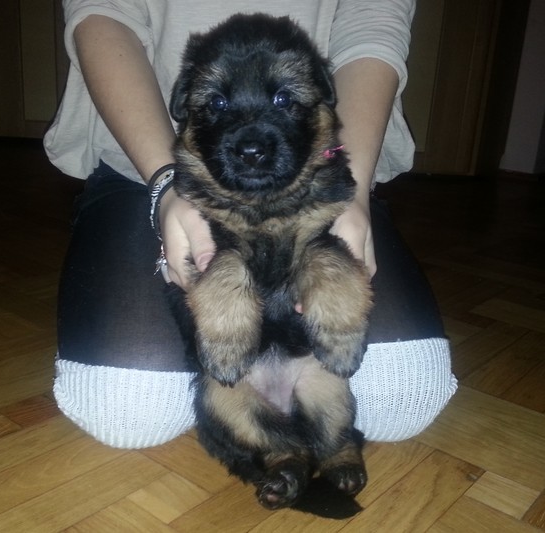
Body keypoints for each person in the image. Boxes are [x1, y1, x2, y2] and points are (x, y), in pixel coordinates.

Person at [44, 0, 457, 449]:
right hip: (143, 164)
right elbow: (102, 15)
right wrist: (166, 184)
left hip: (318, 169)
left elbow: (372, 25)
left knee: (403, 397)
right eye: (217, 103)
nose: (252, 141)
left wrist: (350, 194)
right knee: (128, 410)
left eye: (285, 100)